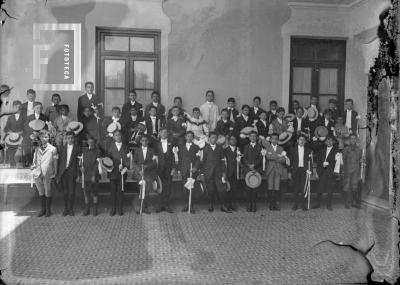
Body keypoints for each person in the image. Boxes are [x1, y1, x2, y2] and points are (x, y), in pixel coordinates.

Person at [31, 129, 58, 217]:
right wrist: (33, 166)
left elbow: (55, 161)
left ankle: (48, 210)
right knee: (41, 192)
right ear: (40, 138)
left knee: (48, 192)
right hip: (38, 173)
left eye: (46, 137)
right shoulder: (37, 148)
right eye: (42, 137)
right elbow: (34, 160)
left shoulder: (53, 149)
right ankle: (43, 209)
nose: (44, 139)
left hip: (48, 173)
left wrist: (55, 172)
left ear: (49, 138)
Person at [202, 132, 230, 213]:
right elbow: (203, 162)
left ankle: (223, 206)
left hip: (219, 173)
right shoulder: (205, 148)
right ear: (209, 139)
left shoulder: (220, 148)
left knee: (221, 190)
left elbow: (223, 161)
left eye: (215, 138)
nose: (213, 139)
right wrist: (204, 173)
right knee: (210, 190)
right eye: (212, 138)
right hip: (209, 173)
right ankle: (210, 205)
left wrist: (224, 172)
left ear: (217, 139)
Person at [176, 131, 200, 213]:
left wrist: (195, 167)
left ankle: (191, 206)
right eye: (188, 136)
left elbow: (198, 159)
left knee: (192, 188)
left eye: (191, 137)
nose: (189, 138)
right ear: (185, 137)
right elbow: (179, 159)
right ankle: (187, 205)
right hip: (184, 170)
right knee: (185, 189)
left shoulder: (196, 147)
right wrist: (179, 169)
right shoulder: (181, 147)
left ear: (193, 138)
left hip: (192, 171)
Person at [106, 130, 130, 216]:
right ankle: (113, 208)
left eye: (119, 135)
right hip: (113, 172)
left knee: (121, 191)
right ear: (113, 137)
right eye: (116, 135)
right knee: (113, 192)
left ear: (121, 136)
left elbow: (128, 160)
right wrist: (113, 166)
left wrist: (124, 166)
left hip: (122, 173)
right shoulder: (110, 147)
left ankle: (120, 208)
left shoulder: (126, 147)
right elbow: (107, 160)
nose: (118, 137)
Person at [133, 135, 158, 214]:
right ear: (140, 142)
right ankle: (139, 207)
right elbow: (134, 163)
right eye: (142, 140)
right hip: (139, 174)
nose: (144, 142)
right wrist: (139, 170)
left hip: (148, 173)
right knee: (140, 189)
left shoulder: (152, 150)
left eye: (146, 140)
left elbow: (154, 162)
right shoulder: (137, 150)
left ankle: (145, 207)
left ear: (148, 142)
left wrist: (147, 166)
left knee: (146, 191)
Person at [57, 131, 80, 216]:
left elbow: (78, 162)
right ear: (66, 139)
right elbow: (60, 162)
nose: (70, 140)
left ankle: (71, 209)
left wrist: (78, 174)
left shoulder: (77, 148)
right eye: (68, 138)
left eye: (72, 138)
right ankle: (65, 208)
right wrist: (58, 174)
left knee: (71, 192)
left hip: (72, 172)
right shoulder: (62, 148)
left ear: (74, 138)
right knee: (65, 192)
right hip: (64, 172)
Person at [313, 135, 338, 210]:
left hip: (330, 172)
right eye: (328, 140)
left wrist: (329, 164)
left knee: (330, 190)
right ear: (325, 141)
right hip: (322, 172)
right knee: (319, 188)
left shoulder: (336, 151)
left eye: (331, 141)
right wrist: (317, 172)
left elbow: (337, 163)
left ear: (333, 142)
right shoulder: (322, 149)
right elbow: (319, 161)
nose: (329, 142)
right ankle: (318, 203)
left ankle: (329, 205)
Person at [265, 133, 288, 211]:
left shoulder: (281, 148)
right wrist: (278, 156)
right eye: (273, 138)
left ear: (278, 140)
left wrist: (274, 156)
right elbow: (268, 157)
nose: (274, 140)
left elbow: (284, 159)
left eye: (276, 139)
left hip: (278, 169)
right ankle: (271, 204)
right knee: (270, 186)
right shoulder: (267, 147)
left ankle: (276, 204)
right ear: (270, 139)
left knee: (277, 187)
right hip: (270, 170)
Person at [289, 134, 312, 211]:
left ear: (305, 142)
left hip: (305, 170)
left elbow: (310, 162)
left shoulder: (308, 150)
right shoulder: (293, 149)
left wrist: (310, 170)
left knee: (304, 188)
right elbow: (290, 162)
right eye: (300, 139)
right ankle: (295, 204)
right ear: (297, 141)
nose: (302, 141)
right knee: (296, 188)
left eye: (303, 140)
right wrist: (289, 171)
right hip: (296, 170)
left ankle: (303, 205)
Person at [80, 136, 102, 216]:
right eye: (89, 142)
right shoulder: (84, 151)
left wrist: (93, 175)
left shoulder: (98, 151)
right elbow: (81, 161)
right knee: (86, 193)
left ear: (94, 143)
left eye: (92, 142)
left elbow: (97, 164)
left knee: (95, 193)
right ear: (87, 142)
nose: (91, 144)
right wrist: (81, 167)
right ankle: (87, 209)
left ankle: (95, 209)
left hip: (94, 175)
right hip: (85, 175)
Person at [242, 131, 262, 212]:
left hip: (256, 169)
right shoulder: (246, 146)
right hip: (248, 169)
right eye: (251, 136)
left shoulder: (259, 146)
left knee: (255, 188)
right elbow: (244, 158)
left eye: (254, 136)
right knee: (248, 188)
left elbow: (260, 158)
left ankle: (254, 204)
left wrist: (254, 165)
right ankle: (249, 204)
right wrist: (249, 165)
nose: (253, 138)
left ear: (256, 137)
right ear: (249, 137)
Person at [154, 128, 174, 213]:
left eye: (166, 132)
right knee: (160, 187)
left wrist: (174, 168)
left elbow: (174, 156)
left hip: (169, 168)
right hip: (159, 168)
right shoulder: (156, 144)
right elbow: (154, 157)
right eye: (162, 133)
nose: (164, 134)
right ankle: (160, 205)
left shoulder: (172, 143)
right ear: (159, 134)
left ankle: (166, 205)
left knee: (168, 187)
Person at [22, 102, 48, 166]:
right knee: (25, 142)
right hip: (31, 133)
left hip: (40, 134)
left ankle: (37, 160)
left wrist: (39, 133)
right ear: (34, 108)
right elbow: (26, 126)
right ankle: (28, 160)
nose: (39, 109)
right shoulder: (29, 117)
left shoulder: (44, 117)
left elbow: (46, 127)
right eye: (37, 108)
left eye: (40, 108)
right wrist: (32, 132)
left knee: (38, 144)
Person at [342, 134, 362, 208]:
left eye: (354, 139)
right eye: (351, 138)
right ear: (349, 140)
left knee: (354, 186)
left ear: (356, 140)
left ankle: (354, 202)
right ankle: (347, 203)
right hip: (348, 169)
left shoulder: (359, 149)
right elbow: (343, 160)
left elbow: (360, 160)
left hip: (356, 170)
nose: (353, 140)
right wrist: (344, 170)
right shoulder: (345, 149)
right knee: (347, 186)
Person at [4, 101, 24, 166]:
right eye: (16, 107)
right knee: (11, 151)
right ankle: (12, 165)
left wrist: (20, 132)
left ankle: (19, 165)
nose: (18, 108)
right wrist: (10, 133)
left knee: (18, 153)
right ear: (13, 108)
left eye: (19, 107)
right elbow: (6, 129)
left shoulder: (24, 117)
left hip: (21, 137)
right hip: (11, 138)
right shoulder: (10, 117)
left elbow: (26, 128)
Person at [224, 135, 241, 211]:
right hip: (228, 172)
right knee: (228, 189)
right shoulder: (225, 150)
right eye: (231, 139)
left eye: (234, 139)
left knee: (235, 189)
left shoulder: (238, 149)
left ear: (236, 141)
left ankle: (233, 204)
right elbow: (223, 162)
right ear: (229, 141)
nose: (233, 141)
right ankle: (227, 204)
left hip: (236, 172)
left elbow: (240, 161)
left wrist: (239, 161)